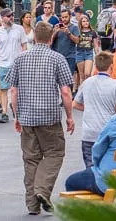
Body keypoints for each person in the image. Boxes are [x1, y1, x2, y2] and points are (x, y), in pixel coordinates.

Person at [7, 21, 74, 215]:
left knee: (31, 159)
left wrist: (16, 115)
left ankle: (32, 205)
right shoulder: (57, 58)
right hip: (49, 116)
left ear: (34, 37)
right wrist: (69, 116)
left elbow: (13, 90)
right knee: (54, 154)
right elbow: (65, 91)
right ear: (51, 37)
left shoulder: (21, 58)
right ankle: (42, 190)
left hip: (27, 116)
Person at [72, 52, 116, 169]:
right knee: (108, 170)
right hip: (107, 133)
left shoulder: (87, 82)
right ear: (111, 66)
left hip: (89, 134)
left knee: (91, 170)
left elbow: (75, 104)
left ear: (96, 67)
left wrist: (88, 107)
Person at [0, 8, 26, 123]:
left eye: (12, 15)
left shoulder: (19, 29)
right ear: (3, 18)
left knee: (16, 89)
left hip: (16, 63)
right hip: (2, 63)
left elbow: (24, 46)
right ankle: (5, 112)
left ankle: (16, 109)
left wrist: (23, 60)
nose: (11, 17)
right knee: (4, 88)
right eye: (8, 16)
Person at [75, 14, 99, 92]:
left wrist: (97, 55)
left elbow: (95, 45)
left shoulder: (93, 32)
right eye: (83, 21)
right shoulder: (78, 32)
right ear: (80, 23)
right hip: (79, 52)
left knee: (87, 73)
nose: (86, 23)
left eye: (87, 21)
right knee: (81, 75)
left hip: (89, 52)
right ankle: (82, 92)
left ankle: (88, 90)